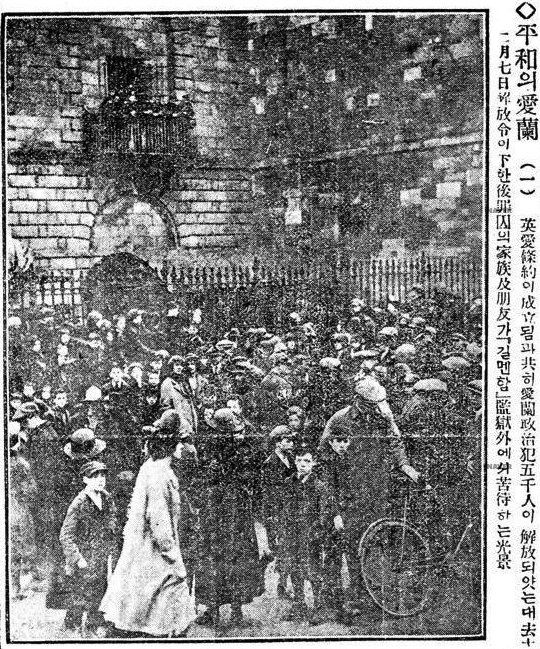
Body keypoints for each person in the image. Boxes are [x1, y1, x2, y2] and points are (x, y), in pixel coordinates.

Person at [100, 425, 196, 638]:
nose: (183, 447)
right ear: (169, 446)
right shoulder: (159, 474)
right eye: (179, 442)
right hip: (154, 548)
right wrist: (172, 554)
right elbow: (159, 519)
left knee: (146, 598)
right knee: (168, 589)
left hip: (145, 547)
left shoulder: (152, 468)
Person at [196, 407, 267, 627]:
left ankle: (222, 609)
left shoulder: (216, 450)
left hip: (227, 510)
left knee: (222, 555)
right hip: (228, 510)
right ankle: (224, 609)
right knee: (229, 555)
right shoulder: (225, 450)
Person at [59, 461, 117, 635]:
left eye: (103, 476)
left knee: (99, 588)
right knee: (79, 592)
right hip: (83, 557)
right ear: (85, 479)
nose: (100, 480)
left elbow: (112, 520)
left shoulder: (107, 498)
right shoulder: (79, 503)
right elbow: (66, 536)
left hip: (100, 554)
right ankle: (72, 625)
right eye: (95, 476)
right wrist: (78, 558)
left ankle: (93, 624)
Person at [281, 444, 334, 624]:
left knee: (313, 571)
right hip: (292, 535)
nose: (303, 464)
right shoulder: (289, 483)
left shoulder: (320, 487)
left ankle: (319, 607)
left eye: (307, 461)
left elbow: (324, 513)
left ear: (314, 463)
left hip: (310, 536)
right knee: (294, 570)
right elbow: (284, 510)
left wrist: (316, 532)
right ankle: (299, 605)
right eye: (299, 460)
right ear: (294, 462)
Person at [262, 424, 297, 598]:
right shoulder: (270, 464)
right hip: (278, 511)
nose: (291, 443)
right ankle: (281, 584)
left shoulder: (291, 459)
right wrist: (270, 517)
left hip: (291, 509)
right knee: (283, 548)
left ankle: (283, 583)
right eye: (287, 440)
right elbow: (269, 493)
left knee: (290, 547)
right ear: (277, 443)